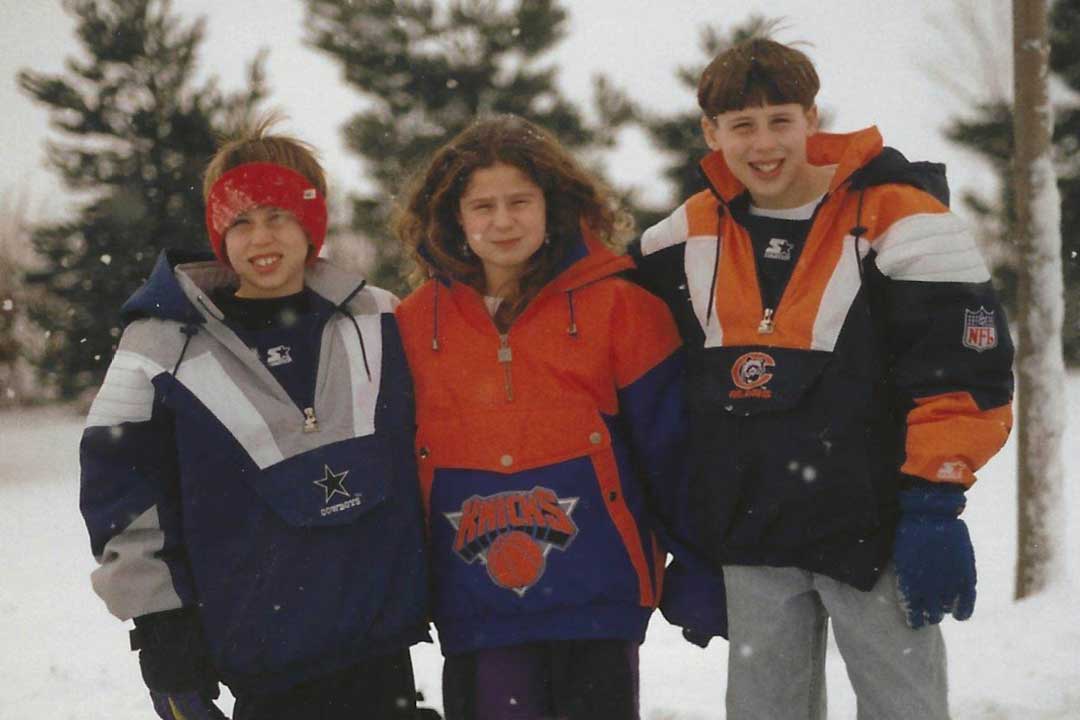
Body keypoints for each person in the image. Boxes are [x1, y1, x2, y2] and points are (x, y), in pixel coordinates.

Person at [629, 37, 1015, 720]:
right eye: (742, 126)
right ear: (711, 133)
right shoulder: (690, 231)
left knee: (907, 711)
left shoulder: (906, 218)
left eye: (781, 120)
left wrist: (934, 502)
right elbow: (598, 299)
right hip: (753, 534)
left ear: (812, 117)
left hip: (877, 529)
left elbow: (967, 376)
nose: (764, 143)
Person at [78, 118, 431, 720]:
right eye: (239, 220)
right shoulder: (159, 344)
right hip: (260, 648)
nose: (259, 237)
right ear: (218, 232)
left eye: (278, 216)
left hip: (377, 643)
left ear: (312, 224)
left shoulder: (380, 318)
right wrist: (160, 627)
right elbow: (123, 494)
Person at [393, 114, 705, 720]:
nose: (502, 221)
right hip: (474, 603)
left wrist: (698, 560)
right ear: (454, 216)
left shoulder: (623, 306)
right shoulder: (409, 325)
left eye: (519, 201)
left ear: (553, 205)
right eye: (482, 205)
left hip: (598, 594)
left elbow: (672, 450)